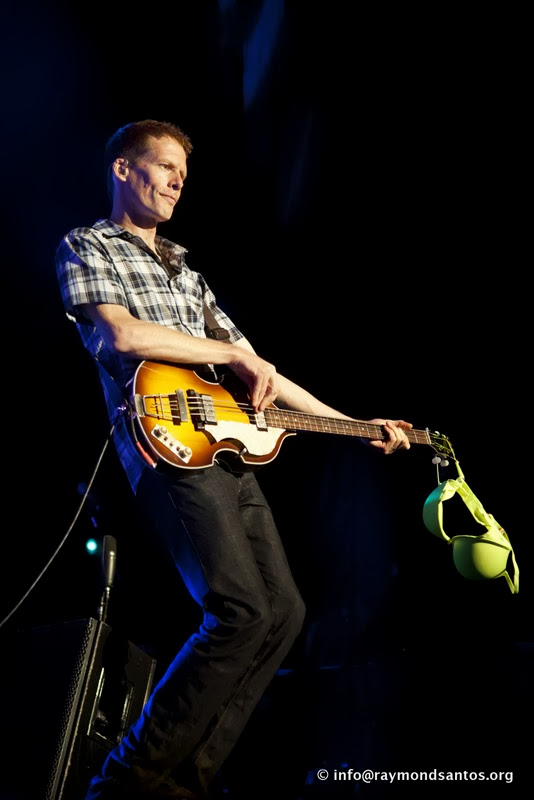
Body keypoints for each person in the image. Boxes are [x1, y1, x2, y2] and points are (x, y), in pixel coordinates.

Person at [55, 119, 413, 800]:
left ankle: (186, 782)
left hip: (228, 446)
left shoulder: (187, 274)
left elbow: (262, 372)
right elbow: (122, 334)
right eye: (165, 166)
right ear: (124, 169)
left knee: (284, 613)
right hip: (166, 445)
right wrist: (227, 354)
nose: (177, 182)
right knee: (240, 609)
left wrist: (356, 427)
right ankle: (124, 781)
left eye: (183, 174)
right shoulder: (87, 244)